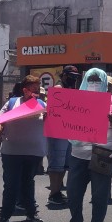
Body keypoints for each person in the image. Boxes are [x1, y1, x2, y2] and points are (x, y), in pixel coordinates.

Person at [59, 68, 112, 222]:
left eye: (98, 79)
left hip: (102, 154)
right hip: (78, 154)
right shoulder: (75, 100)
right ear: (85, 80)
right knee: (73, 193)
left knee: (99, 195)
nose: (94, 82)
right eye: (91, 79)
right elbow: (64, 121)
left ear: (104, 82)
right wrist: (53, 118)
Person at [0, 75, 47, 222]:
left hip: (33, 152)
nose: (36, 91)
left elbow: (50, 124)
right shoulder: (12, 103)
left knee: (28, 182)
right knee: (11, 184)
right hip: (12, 151)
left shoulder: (43, 104)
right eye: (33, 89)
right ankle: (4, 215)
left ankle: (31, 213)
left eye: (38, 88)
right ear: (25, 90)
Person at [45, 65, 80, 206]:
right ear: (64, 76)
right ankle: (53, 193)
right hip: (57, 132)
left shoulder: (71, 90)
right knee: (56, 164)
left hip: (68, 132)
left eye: (76, 77)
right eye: (71, 76)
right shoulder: (58, 90)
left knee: (64, 165)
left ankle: (58, 191)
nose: (74, 79)